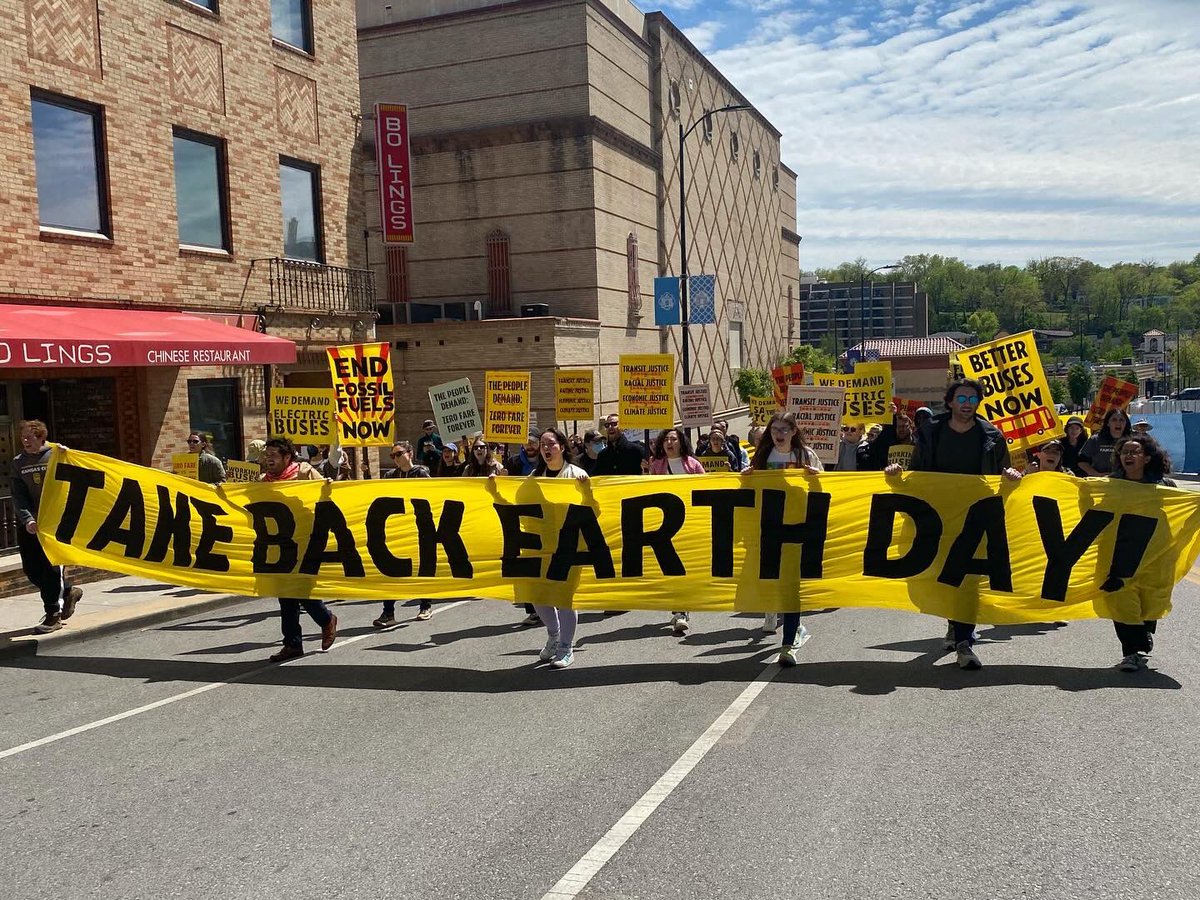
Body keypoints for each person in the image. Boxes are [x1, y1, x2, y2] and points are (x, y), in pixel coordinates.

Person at [886, 378, 1022, 670]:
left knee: (968, 580)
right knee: (944, 576)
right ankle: (953, 621)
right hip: (939, 518)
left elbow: (1003, 475)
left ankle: (964, 641)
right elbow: (917, 474)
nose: (966, 404)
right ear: (950, 402)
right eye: (961, 398)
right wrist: (897, 476)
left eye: (972, 399)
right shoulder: (930, 432)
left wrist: (1011, 476)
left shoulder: (992, 436)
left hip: (976, 519)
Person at [747, 412, 823, 664]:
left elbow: (823, 492)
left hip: (797, 528)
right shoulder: (761, 457)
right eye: (775, 429)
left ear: (793, 431)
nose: (779, 434)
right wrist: (745, 478)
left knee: (791, 586)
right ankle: (786, 621)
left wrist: (815, 479)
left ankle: (788, 643)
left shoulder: (805, 456)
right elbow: (748, 493)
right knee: (771, 582)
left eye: (784, 429)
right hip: (768, 528)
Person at [260, 438, 337, 661]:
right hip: (279, 545)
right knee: (285, 595)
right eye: (267, 454)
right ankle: (292, 644)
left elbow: (327, 494)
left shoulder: (304, 473)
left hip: (305, 541)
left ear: (287, 457)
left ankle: (326, 619)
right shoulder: (263, 481)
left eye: (274, 454)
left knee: (301, 589)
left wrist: (329, 484)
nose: (269, 458)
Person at [1107, 434, 1177, 672]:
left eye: (1134, 452)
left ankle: (1143, 630)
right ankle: (1131, 652)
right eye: (1124, 452)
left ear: (1147, 458)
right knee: (1120, 597)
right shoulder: (1111, 484)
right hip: (1122, 551)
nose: (1128, 455)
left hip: (1155, 551)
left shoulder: (1164, 486)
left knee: (1149, 600)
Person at [525, 427, 590, 667]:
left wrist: (587, 491)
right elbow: (516, 502)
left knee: (563, 597)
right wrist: (495, 485)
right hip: (541, 545)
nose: (545, 448)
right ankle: (553, 635)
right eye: (542, 444)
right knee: (538, 595)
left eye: (550, 444)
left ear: (562, 447)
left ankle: (566, 647)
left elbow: (594, 509)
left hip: (569, 544)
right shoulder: (535, 477)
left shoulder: (576, 474)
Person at [11, 420, 83, 634]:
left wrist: (69, 455)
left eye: (29, 437)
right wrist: (28, 519)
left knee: (51, 569)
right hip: (31, 523)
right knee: (32, 570)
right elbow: (18, 494)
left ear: (41, 437)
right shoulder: (19, 462)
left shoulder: (56, 454)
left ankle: (53, 615)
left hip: (55, 523)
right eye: (22, 437)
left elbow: (79, 474)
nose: (25, 441)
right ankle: (68, 591)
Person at [649, 427, 705, 634]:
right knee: (669, 567)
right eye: (666, 439)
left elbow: (703, 492)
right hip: (664, 526)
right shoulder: (656, 465)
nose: (669, 442)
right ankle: (678, 610)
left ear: (681, 442)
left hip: (688, 524)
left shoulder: (693, 465)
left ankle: (682, 609)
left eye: (674, 439)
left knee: (684, 567)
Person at [374, 441, 433, 627]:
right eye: (392, 456)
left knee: (422, 566)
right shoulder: (390, 476)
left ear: (410, 453)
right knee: (391, 569)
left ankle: (425, 605)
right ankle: (388, 612)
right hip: (397, 528)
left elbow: (433, 495)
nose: (395, 458)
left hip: (419, 527)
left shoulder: (421, 474)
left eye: (398, 454)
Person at [1077, 408, 1131, 477]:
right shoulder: (1095, 440)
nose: (1118, 423)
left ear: (1126, 423)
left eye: (1121, 420)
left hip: (1125, 482)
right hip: (1100, 481)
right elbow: (1081, 461)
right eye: (1114, 420)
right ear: (1108, 423)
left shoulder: (1132, 441)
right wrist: (1096, 474)